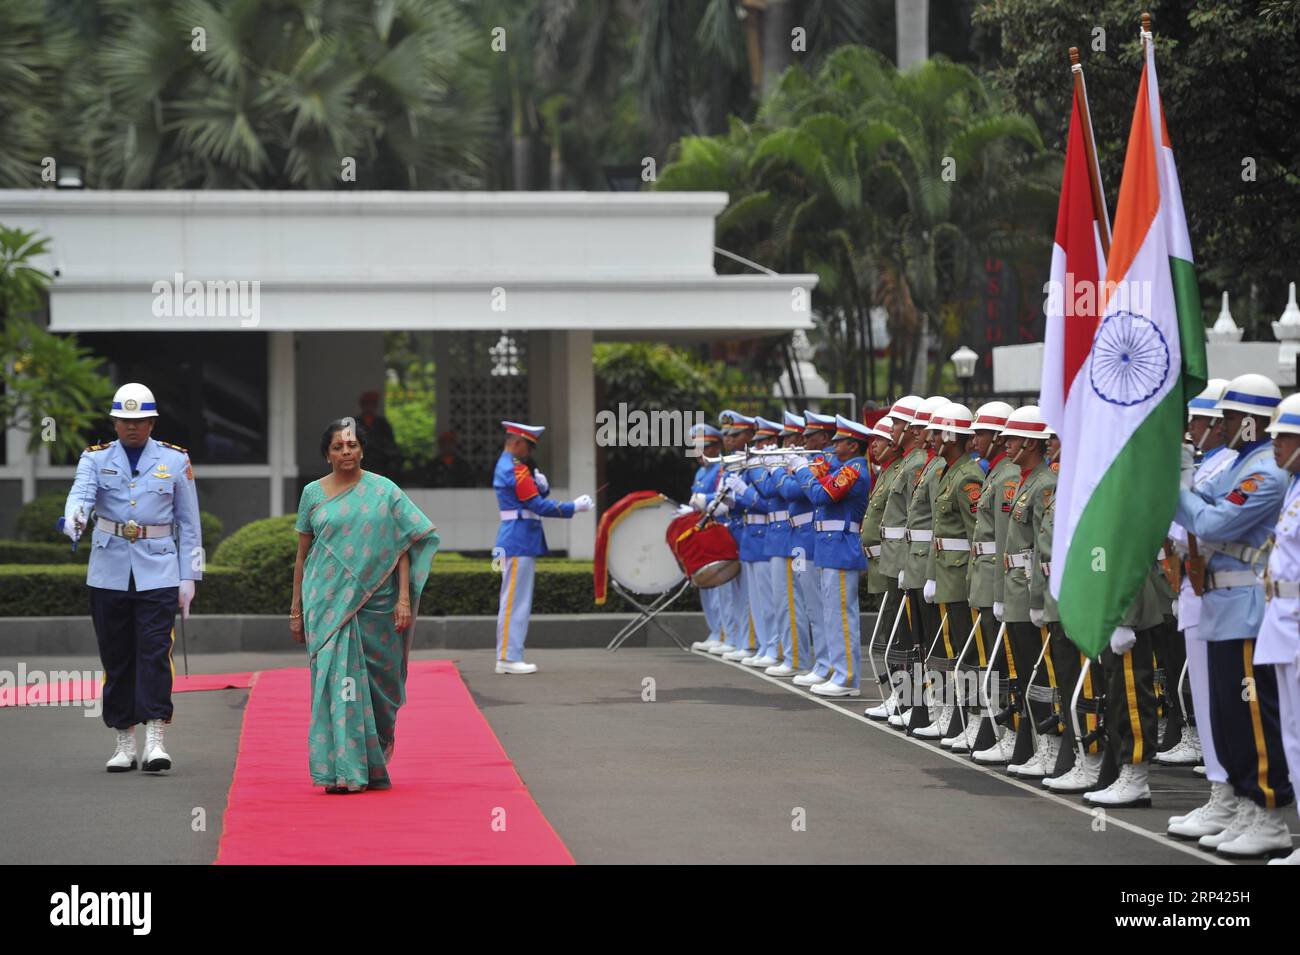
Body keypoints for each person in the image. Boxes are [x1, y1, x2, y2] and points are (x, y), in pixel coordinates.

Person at [1173, 373, 1295, 857]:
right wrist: (1188, 493)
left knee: (1252, 720)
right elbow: (1204, 508)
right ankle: (1245, 803)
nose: (1219, 427)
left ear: (1250, 422)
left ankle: (1267, 812)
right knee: (1228, 719)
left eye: (1228, 418)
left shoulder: (1264, 471)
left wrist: (1176, 486)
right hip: (1221, 606)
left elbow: (1209, 520)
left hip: (1246, 607)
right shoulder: (1238, 465)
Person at [290, 417, 440, 792]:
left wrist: (404, 599)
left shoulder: (383, 490)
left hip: (378, 605)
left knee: (380, 688)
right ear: (327, 454)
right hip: (327, 604)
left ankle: (370, 763)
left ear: (362, 449)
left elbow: (404, 542)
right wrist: (296, 609)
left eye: (352, 445)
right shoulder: (312, 494)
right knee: (334, 685)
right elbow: (302, 557)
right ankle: (341, 771)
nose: (346, 452)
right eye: (338, 447)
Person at [63, 382, 202, 774]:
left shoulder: (175, 460)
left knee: (155, 653)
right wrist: (74, 518)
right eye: (124, 420)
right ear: (113, 421)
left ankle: (155, 737)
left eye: (139, 420)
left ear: (152, 421)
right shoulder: (95, 459)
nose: (132, 427)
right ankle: (123, 740)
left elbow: (189, 523)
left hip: (159, 570)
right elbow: (81, 495)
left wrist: (189, 575)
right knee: (117, 655)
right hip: (108, 572)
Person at [1165, 379, 1237, 836]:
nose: (1190, 427)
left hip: (1218, 591)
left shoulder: (1226, 465)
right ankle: (1222, 795)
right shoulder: (1211, 463)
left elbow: (1203, 523)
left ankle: (1229, 796)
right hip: (1196, 588)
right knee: (1211, 703)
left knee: (1222, 705)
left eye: (1196, 419)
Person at [492, 420, 594, 674]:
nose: (530, 453)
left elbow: (531, 499)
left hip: (515, 539)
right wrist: (574, 507)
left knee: (515, 600)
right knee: (515, 601)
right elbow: (537, 506)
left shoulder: (513, 468)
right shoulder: (515, 469)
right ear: (516, 443)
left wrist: (541, 486)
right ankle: (507, 657)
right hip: (518, 541)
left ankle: (510, 655)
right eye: (528, 447)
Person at [790, 415, 873, 697]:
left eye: (839, 441)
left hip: (840, 546)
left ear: (852, 445)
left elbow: (822, 495)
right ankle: (838, 671)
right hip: (829, 546)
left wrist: (802, 470)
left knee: (841, 616)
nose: (833, 446)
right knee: (831, 614)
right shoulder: (844, 465)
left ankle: (847, 676)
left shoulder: (854, 469)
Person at [917, 402, 984, 741]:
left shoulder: (968, 475)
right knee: (949, 650)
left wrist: (975, 578)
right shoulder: (947, 471)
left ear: (949, 436)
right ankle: (952, 715)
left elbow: (978, 534)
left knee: (964, 652)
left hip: (959, 576)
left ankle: (970, 720)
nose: (929, 439)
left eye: (935, 432)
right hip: (945, 572)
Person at [866, 396, 925, 725]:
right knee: (896, 633)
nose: (892, 431)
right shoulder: (904, 466)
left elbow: (912, 522)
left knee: (903, 635)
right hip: (892, 562)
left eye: (896, 426)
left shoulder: (913, 465)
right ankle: (901, 698)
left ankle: (906, 700)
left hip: (906, 562)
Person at [1260, 391, 1300, 865]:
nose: (1274, 444)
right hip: (1283, 621)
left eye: (1283, 436)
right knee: (1291, 735)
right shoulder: (1292, 487)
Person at [687, 424, 728, 652]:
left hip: (718, 531)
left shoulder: (721, 467)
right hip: (704, 532)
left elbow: (724, 494)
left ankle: (723, 632)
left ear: (715, 447)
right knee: (706, 585)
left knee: (720, 587)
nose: (698, 452)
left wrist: (704, 498)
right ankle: (715, 630)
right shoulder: (701, 471)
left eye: (703, 447)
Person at [356, 391, 399, 477]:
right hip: (361, 461)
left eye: (372, 404)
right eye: (366, 404)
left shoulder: (383, 423)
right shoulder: (355, 422)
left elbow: (390, 443)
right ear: (362, 405)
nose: (369, 407)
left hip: (380, 462)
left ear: (375, 406)